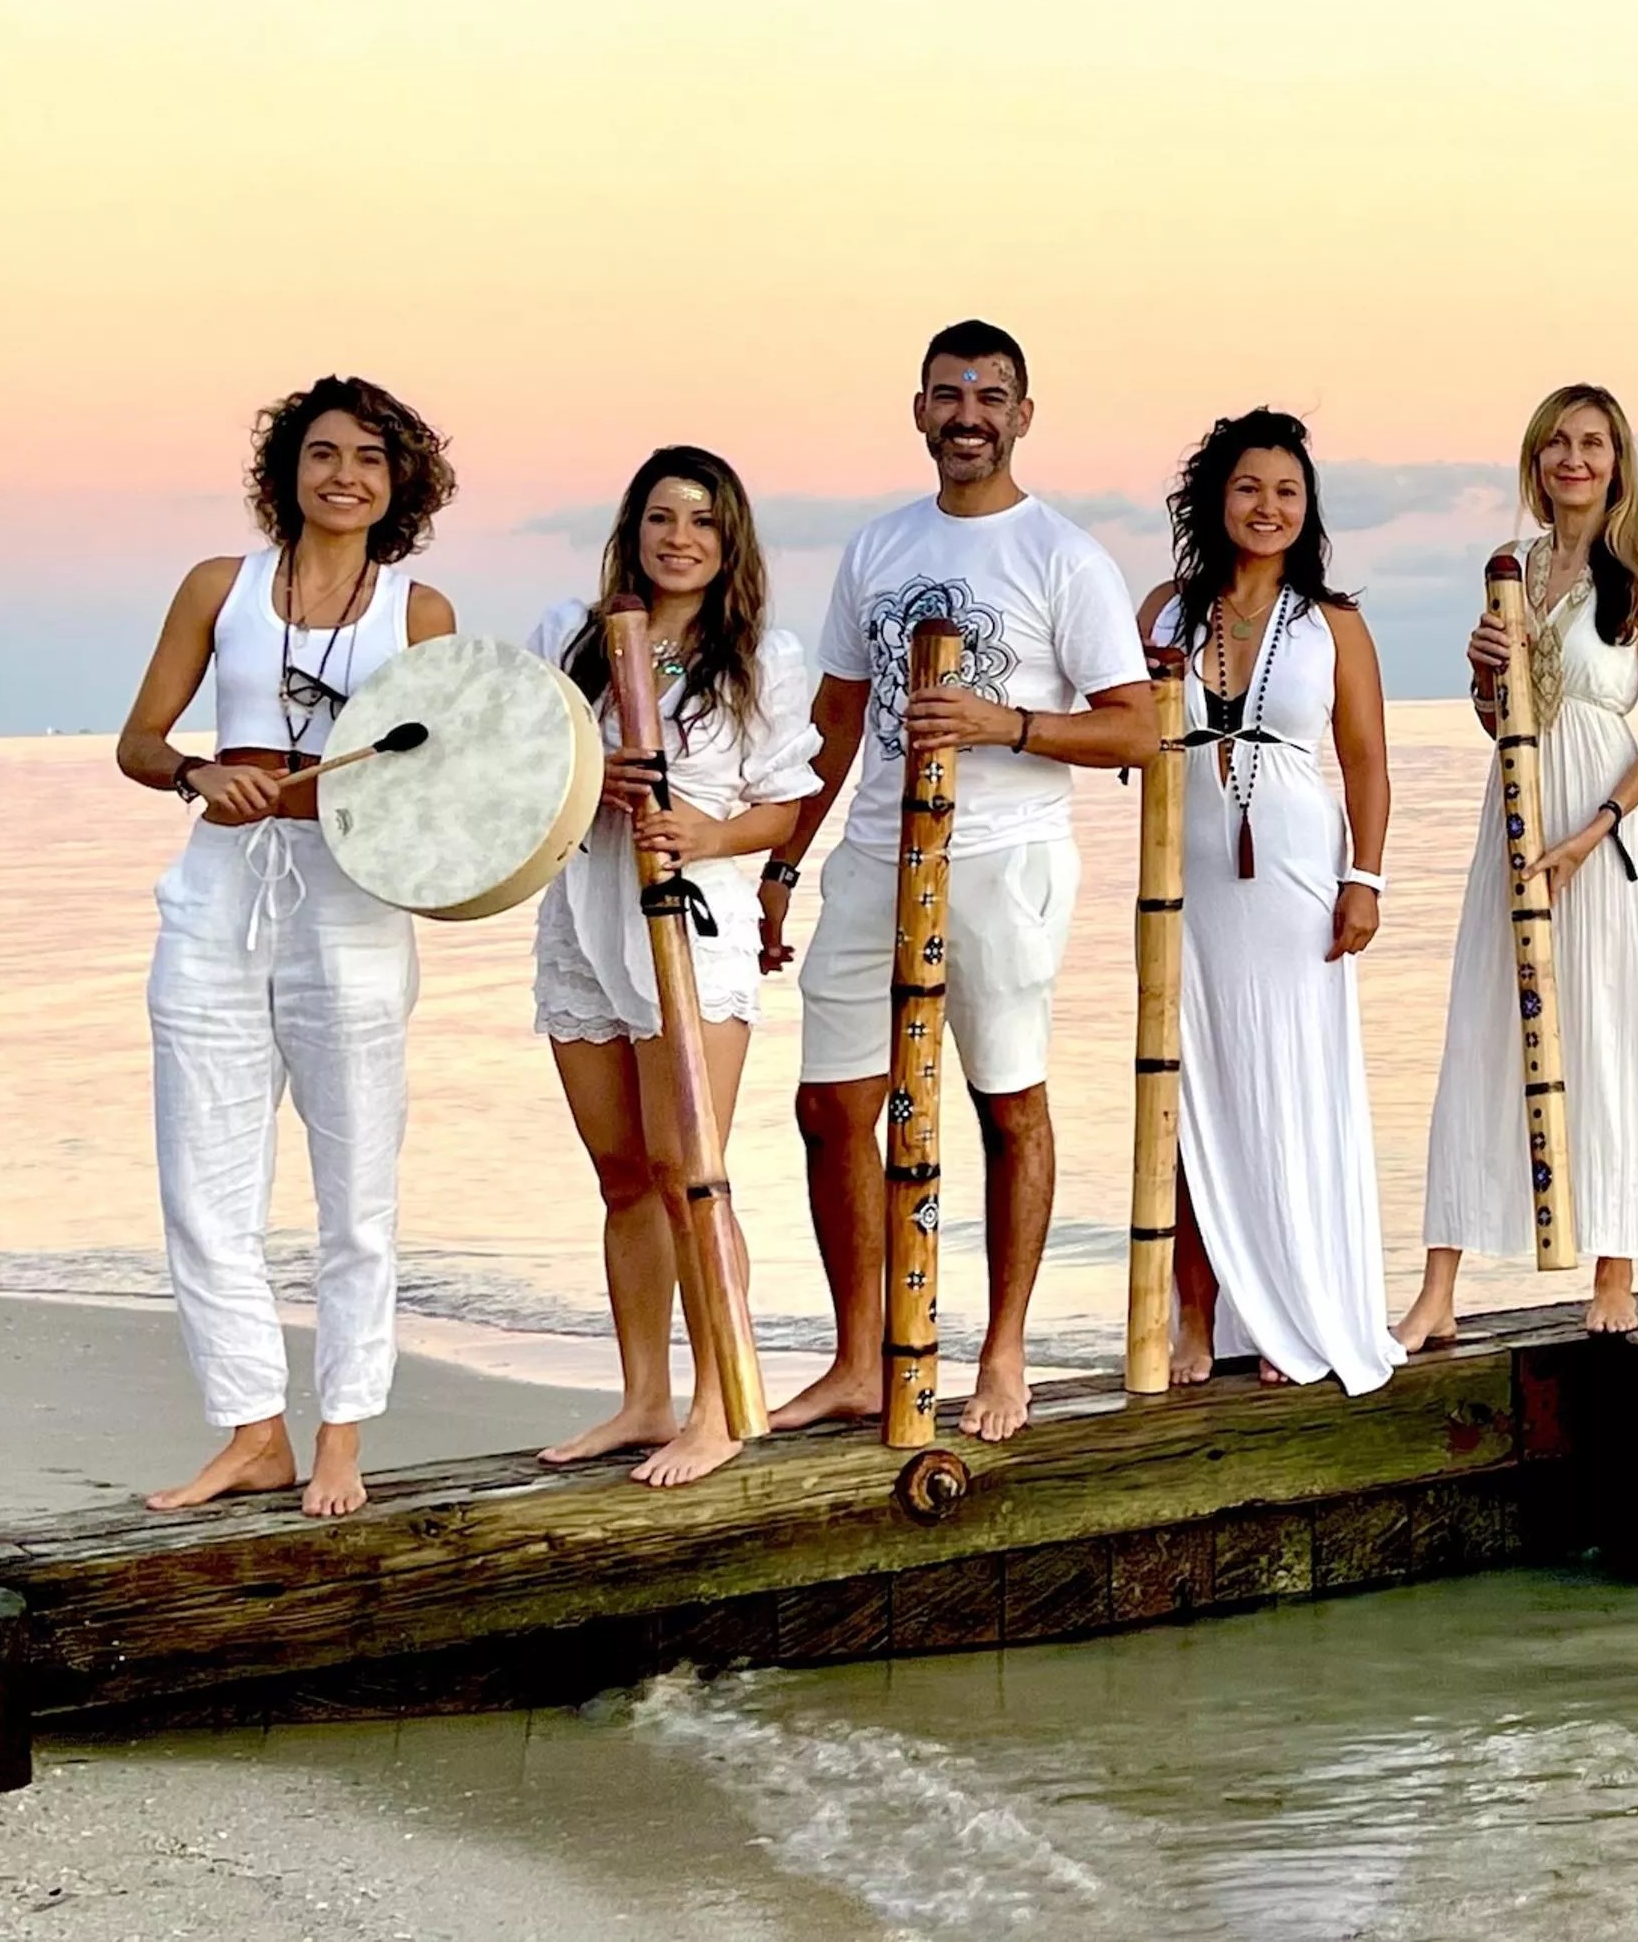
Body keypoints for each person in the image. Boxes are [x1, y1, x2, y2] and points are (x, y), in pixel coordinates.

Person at [755, 321, 1155, 1442]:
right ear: (918, 409)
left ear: (1024, 414)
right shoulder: (876, 546)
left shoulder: (1062, 556)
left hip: (1001, 859)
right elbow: (837, 719)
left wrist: (1002, 722)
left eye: (990, 395)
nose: (967, 413)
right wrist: (787, 857)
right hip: (874, 853)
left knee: (1005, 1103)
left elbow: (1132, 733)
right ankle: (858, 1358)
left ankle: (1006, 1352)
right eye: (947, 394)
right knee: (831, 1107)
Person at [114, 376, 459, 1516]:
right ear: (288, 471)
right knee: (204, 1188)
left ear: (398, 481)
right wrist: (203, 774)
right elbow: (141, 741)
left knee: (355, 1189)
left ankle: (343, 1435)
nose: (343, 474)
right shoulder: (222, 588)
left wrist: (329, 802)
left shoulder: (420, 615)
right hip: (215, 899)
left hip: (352, 911)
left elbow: (441, 790)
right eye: (322, 453)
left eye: (368, 456)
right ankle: (254, 1431)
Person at [527, 448, 820, 1485]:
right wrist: (584, 774)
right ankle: (643, 1397)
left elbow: (786, 807)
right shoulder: (574, 635)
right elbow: (522, 768)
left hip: (690, 920)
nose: (680, 537)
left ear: (729, 538)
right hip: (582, 914)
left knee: (690, 1174)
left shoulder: (762, 656)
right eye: (661, 517)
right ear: (634, 529)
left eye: (702, 520)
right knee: (623, 1179)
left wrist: (708, 835)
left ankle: (720, 1404)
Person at [1404, 385, 1638, 1343]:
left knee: (1609, 1034)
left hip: (1610, 827)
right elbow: (1500, 719)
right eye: (1556, 443)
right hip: (1513, 814)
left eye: (1592, 443)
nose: (1573, 458)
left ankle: (1614, 1263)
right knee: (1487, 1027)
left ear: (1618, 462)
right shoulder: (1513, 569)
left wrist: (1593, 833)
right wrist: (1478, 676)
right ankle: (1438, 1284)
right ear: (1535, 461)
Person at [1136, 411, 1401, 1391]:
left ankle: (1298, 1312)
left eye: (1286, 491)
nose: (1267, 507)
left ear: (1307, 508)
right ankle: (1193, 1321)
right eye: (1249, 487)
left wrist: (1363, 881)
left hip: (1293, 873)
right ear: (1217, 498)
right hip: (1181, 880)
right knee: (1188, 1094)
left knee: (1287, 1086)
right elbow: (1125, 731)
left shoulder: (1331, 622)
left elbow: (1368, 763)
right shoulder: (1165, 612)